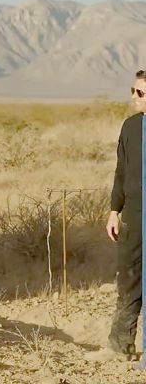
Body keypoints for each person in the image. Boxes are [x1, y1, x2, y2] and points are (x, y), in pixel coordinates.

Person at [99, 69, 146, 361]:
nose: (133, 97)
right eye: (133, 90)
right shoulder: (130, 127)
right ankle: (119, 346)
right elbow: (121, 172)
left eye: (139, 92)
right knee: (128, 279)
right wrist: (114, 211)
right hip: (132, 216)